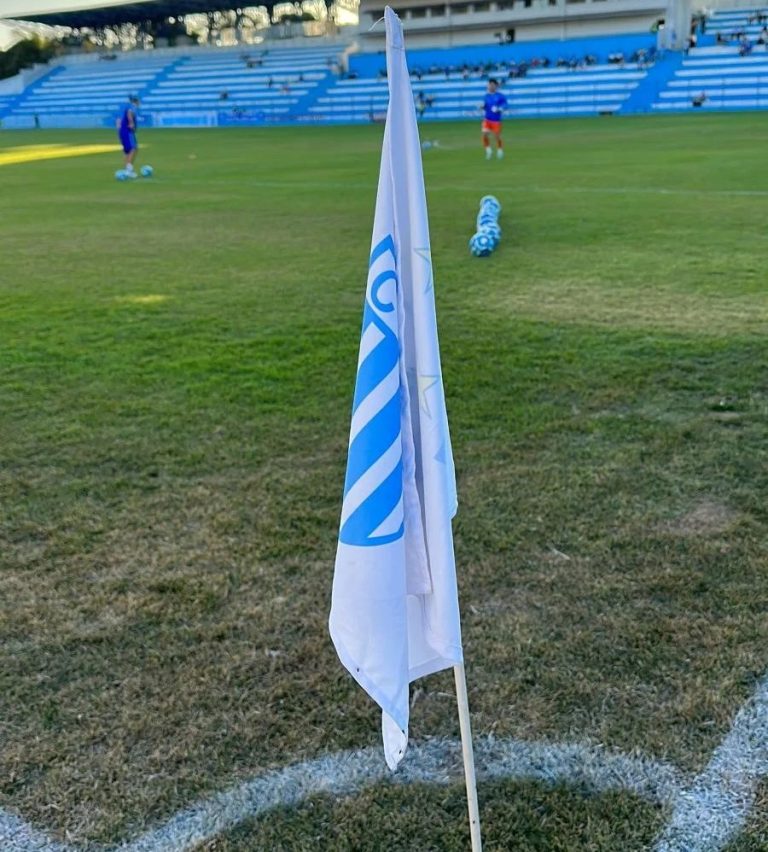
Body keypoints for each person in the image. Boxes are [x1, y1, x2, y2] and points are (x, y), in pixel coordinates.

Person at [480, 78, 507, 160]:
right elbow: (485, 107)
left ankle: (500, 150)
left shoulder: (500, 96)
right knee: (484, 134)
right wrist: (482, 107)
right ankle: (488, 150)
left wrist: (499, 109)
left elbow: (505, 105)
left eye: (492, 85)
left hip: (496, 121)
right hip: (487, 119)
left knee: (497, 136)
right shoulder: (486, 96)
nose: (490, 86)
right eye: (489, 85)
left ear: (496, 86)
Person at [116, 95, 140, 177]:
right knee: (133, 149)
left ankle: (127, 169)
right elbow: (130, 113)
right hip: (128, 131)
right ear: (136, 101)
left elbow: (118, 120)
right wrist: (131, 123)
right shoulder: (132, 106)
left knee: (127, 151)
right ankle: (128, 170)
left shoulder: (124, 107)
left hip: (122, 131)